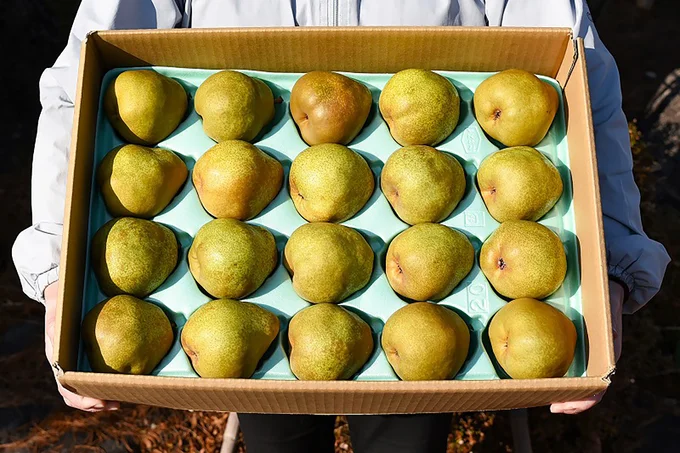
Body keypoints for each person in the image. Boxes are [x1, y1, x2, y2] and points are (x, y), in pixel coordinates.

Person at [13, 0, 670, 451]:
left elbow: (582, 78)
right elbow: (83, 77)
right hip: (261, 287)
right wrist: (55, 261)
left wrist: (608, 254)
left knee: (407, 426)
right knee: (275, 427)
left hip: (416, 290)